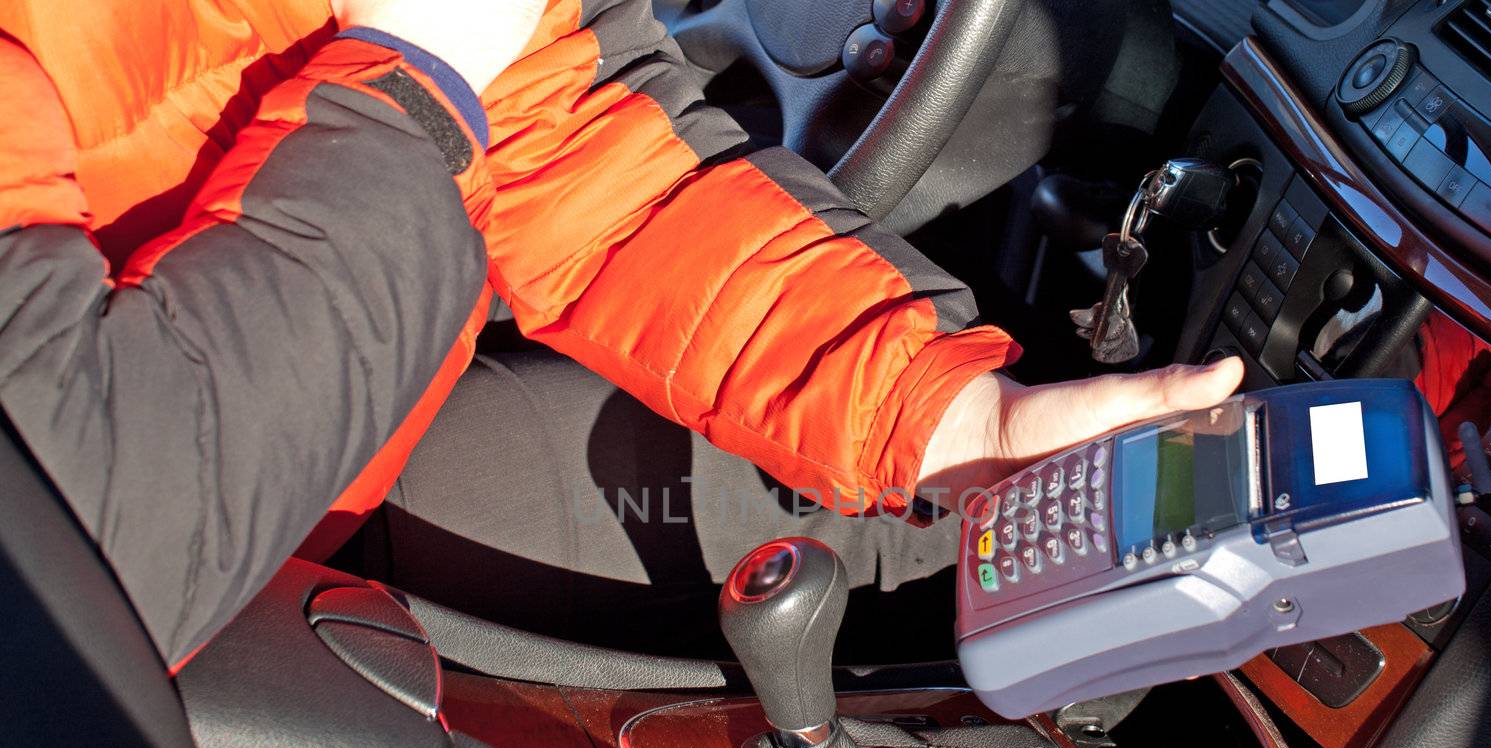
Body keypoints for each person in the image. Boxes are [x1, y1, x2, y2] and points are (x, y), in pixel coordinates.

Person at [0, 0, 1242, 664]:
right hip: (123, 664)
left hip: (284, 501)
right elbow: (97, 526)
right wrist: (409, 82)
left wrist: (947, 413)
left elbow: (578, 151)